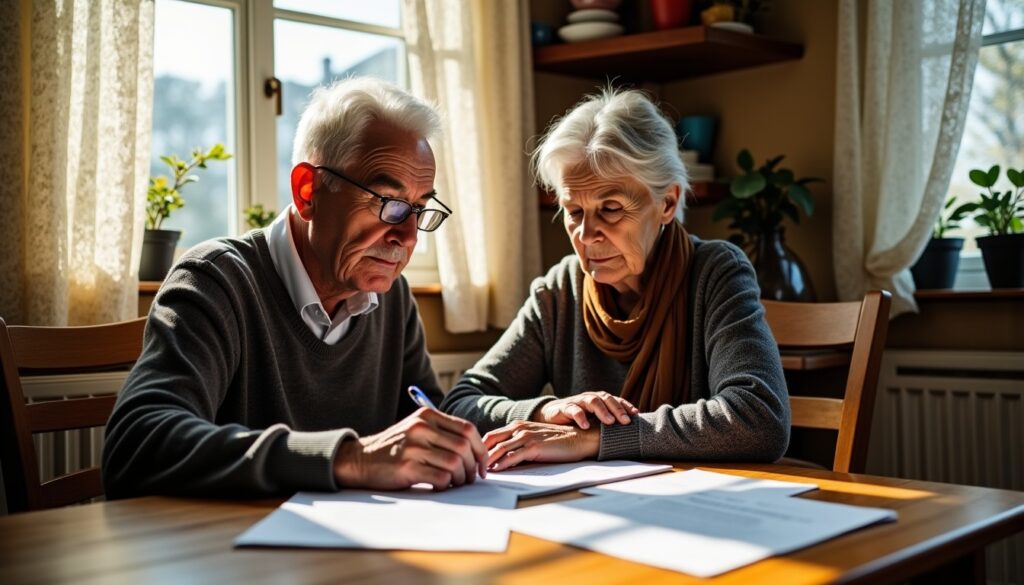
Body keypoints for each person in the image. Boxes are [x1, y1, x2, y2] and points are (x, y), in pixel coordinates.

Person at [103, 77, 487, 498]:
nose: (409, 237)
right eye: (388, 203)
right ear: (308, 192)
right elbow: (136, 444)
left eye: (418, 209)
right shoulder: (215, 281)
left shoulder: (392, 298)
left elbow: (426, 417)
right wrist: (350, 458)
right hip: (226, 555)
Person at [441, 88, 790, 471]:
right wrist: (548, 410)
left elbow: (760, 419)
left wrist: (596, 438)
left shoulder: (716, 273)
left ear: (668, 203)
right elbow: (461, 403)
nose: (587, 234)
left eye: (610, 209)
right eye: (574, 211)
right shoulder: (560, 290)